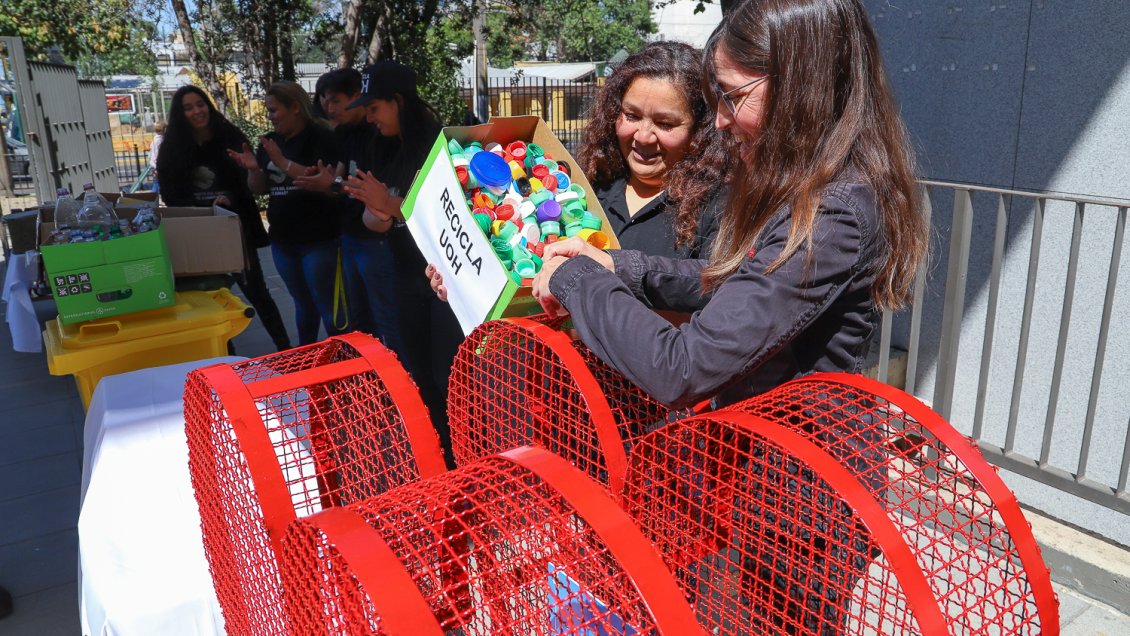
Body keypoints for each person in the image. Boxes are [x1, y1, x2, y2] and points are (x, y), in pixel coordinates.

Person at [532, 2, 928, 632]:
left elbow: (683, 367)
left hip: (803, 500)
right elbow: (733, 283)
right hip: (766, 478)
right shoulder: (815, 187)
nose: (719, 120)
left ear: (800, 84)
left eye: (732, 96)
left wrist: (575, 279)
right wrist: (620, 268)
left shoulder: (835, 210)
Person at [427, 41, 732, 303]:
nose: (643, 136)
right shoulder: (585, 186)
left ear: (701, 131)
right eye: (631, 115)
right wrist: (464, 283)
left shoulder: (720, 205)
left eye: (665, 123)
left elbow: (719, 293)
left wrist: (617, 268)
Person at [343, 61, 463, 467]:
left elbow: (450, 218)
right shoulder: (382, 146)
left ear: (397, 102)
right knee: (419, 375)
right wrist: (379, 211)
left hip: (444, 287)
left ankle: (464, 460)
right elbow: (374, 221)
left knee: (450, 377)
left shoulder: (440, 147)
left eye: (374, 107)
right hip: (402, 275)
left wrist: (390, 206)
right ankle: (437, 459)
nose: (370, 117)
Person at [158, 85, 291, 351]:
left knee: (257, 290)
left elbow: (248, 182)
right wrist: (205, 207)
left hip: (235, 227)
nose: (197, 111)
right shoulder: (172, 147)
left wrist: (230, 198)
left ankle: (285, 348)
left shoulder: (228, 135)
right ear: (180, 114)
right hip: (200, 232)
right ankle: (227, 357)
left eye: (200, 104)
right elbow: (171, 194)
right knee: (212, 297)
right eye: (188, 107)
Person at [295, 69, 402, 353]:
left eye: (336, 101)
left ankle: (400, 383)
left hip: (377, 241)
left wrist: (334, 184)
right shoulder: (345, 134)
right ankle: (370, 383)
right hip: (351, 235)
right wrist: (329, 181)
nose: (329, 109)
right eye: (324, 101)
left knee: (387, 320)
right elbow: (342, 178)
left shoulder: (382, 134)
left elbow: (375, 193)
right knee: (361, 322)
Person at [229, 81, 342, 346]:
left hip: (319, 238)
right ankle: (306, 358)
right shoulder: (270, 142)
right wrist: (253, 169)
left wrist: (281, 161)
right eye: (268, 111)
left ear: (295, 108)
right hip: (283, 240)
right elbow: (259, 189)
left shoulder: (321, 137)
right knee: (302, 304)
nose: (270, 117)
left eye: (274, 110)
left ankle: (342, 361)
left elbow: (318, 179)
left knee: (327, 305)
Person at [148, 121, 165, 192]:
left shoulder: (155, 138)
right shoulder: (160, 140)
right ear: (163, 129)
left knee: (157, 182)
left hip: (154, 164)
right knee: (157, 183)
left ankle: (153, 198)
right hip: (157, 165)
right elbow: (158, 153)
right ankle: (152, 199)